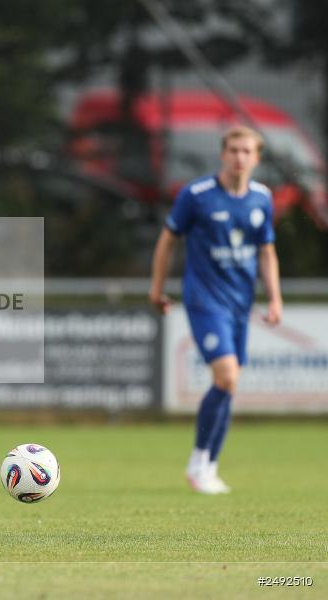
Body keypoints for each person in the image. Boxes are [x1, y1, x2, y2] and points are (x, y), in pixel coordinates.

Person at [148, 125, 283, 494]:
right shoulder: (197, 195)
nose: (240, 157)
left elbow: (266, 251)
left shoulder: (261, 198)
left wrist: (274, 298)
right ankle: (198, 464)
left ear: (256, 158)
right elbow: (167, 240)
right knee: (227, 377)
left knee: (229, 384)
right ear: (223, 154)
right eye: (234, 150)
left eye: (247, 151)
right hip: (204, 300)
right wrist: (157, 288)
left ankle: (208, 465)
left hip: (240, 303)